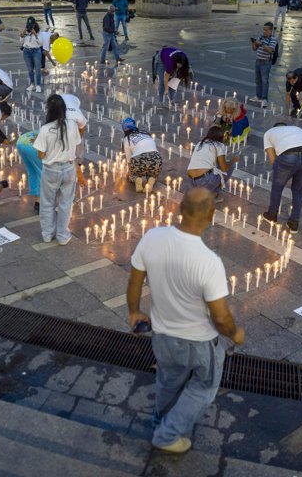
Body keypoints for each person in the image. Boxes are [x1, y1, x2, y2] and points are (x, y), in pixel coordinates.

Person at [127, 187, 245, 454]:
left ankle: (160, 419)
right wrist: (234, 334)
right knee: (203, 387)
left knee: (169, 380)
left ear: (180, 209)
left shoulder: (152, 237)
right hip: (198, 342)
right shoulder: (208, 262)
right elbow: (221, 316)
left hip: (163, 336)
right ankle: (167, 435)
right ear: (211, 215)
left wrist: (134, 312)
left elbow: (135, 280)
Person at [34, 94, 81, 245]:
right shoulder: (73, 125)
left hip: (51, 170)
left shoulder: (46, 129)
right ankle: (62, 236)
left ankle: (47, 235)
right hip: (68, 169)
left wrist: (49, 153)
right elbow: (77, 143)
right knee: (65, 204)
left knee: (47, 203)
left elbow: (40, 154)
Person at [262, 122, 302, 233]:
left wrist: (283, 169)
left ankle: (272, 215)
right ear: (286, 127)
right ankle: (294, 223)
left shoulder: (269, 133)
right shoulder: (297, 128)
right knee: (298, 189)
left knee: (278, 186)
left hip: (288, 155)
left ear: (275, 127)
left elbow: (273, 160)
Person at [187, 125, 238, 198]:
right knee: (229, 166)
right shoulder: (219, 145)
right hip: (204, 181)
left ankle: (203, 191)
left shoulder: (200, 143)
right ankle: (214, 194)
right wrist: (233, 160)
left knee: (216, 165)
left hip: (191, 180)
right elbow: (224, 168)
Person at [121, 117, 163, 193]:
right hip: (156, 158)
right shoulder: (145, 133)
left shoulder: (127, 139)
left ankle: (137, 179)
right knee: (152, 173)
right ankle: (151, 179)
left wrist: (130, 173)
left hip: (139, 159)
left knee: (132, 176)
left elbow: (129, 160)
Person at [250, 21, 278, 108]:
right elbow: (254, 49)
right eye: (263, 30)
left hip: (266, 62)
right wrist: (253, 43)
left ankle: (264, 99)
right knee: (257, 80)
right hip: (258, 61)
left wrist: (261, 44)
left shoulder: (273, 39)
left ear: (271, 30)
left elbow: (271, 50)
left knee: (265, 81)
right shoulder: (261, 37)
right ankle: (258, 96)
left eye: (266, 30)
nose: (264, 31)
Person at [16, 130, 42, 213]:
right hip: (33, 146)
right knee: (41, 172)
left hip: (21, 141)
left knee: (32, 171)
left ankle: (37, 201)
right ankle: (40, 203)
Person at [20, 18, 44, 93]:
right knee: (30, 69)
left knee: (37, 69)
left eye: (32, 25)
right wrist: (23, 34)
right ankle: (32, 84)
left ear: (34, 24)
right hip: (26, 51)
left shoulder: (39, 32)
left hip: (36, 51)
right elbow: (21, 42)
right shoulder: (26, 31)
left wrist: (35, 34)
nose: (30, 27)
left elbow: (41, 43)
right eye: (29, 25)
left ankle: (38, 85)